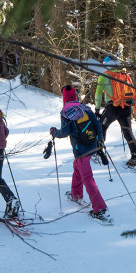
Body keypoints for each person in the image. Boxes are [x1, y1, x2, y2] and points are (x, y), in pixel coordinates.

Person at [49, 85, 108, 219]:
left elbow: (64, 132)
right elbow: (98, 125)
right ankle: (76, 195)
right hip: (92, 145)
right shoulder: (84, 107)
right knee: (77, 169)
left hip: (81, 150)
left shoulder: (65, 112)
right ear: (75, 95)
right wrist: (100, 141)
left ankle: (99, 208)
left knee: (87, 177)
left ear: (64, 97)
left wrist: (54, 132)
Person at [94, 56, 136, 168]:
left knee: (101, 127)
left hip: (113, 107)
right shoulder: (124, 75)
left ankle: (99, 153)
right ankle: (135, 157)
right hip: (126, 106)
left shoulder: (104, 76)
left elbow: (98, 94)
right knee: (128, 132)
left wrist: (97, 109)